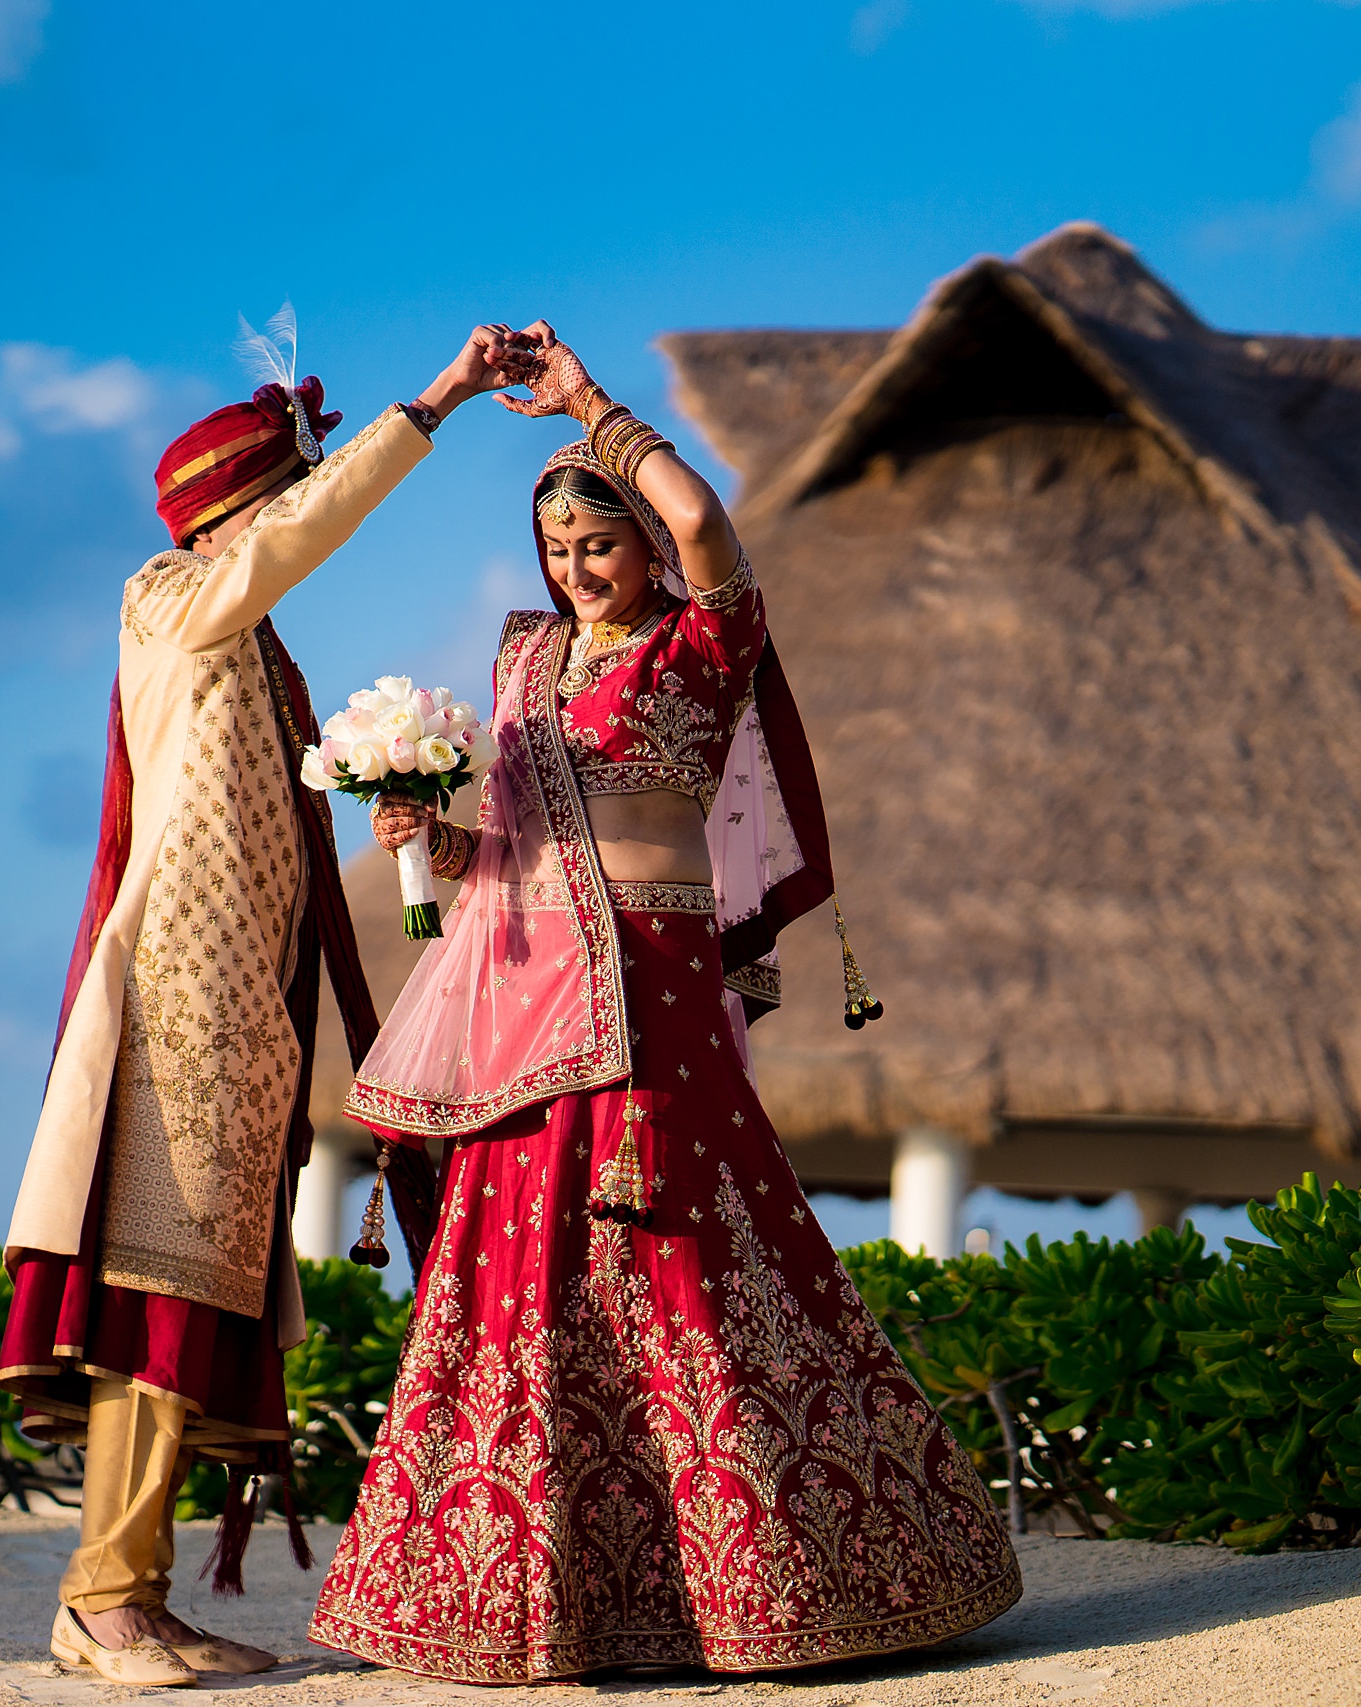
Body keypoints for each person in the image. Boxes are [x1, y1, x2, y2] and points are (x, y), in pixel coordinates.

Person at [307, 328, 1023, 1682]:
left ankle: (784, 1579)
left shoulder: (703, 646)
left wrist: (587, 404)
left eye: (602, 546)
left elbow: (704, 518)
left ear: (643, 550)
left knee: (689, 1231)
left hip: (653, 975)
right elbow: (508, 865)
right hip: (531, 995)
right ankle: (529, 1590)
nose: (578, 571)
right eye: (560, 551)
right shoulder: (528, 669)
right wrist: (434, 842)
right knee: (522, 1248)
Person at [0, 325, 523, 1689]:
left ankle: (134, 1596)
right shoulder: (174, 597)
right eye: (279, 499)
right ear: (238, 515)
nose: (295, 520)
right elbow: (307, 527)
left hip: (245, 1025)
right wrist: (440, 401)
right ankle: (103, 1599)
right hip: (176, 1007)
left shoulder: (252, 640)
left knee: (196, 1305)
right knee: (153, 1303)